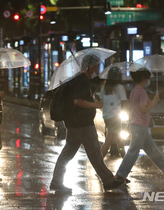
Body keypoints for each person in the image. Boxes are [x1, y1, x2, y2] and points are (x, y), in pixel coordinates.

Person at [50, 54, 125, 192]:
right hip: (82, 123)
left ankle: (56, 181)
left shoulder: (79, 79)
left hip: (74, 123)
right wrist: (96, 105)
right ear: (90, 66)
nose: (97, 68)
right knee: (95, 153)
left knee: (67, 153)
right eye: (96, 65)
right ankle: (108, 181)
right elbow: (77, 101)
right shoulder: (81, 81)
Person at [115, 68, 164, 182]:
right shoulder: (142, 92)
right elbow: (145, 109)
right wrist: (154, 101)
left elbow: (132, 109)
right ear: (144, 79)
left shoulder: (134, 91)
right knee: (133, 151)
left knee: (152, 149)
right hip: (140, 126)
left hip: (136, 125)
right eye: (148, 79)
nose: (148, 81)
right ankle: (120, 174)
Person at [100, 67, 128, 158]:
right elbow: (124, 102)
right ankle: (98, 161)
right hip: (115, 117)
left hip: (106, 117)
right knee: (109, 141)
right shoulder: (119, 87)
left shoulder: (103, 87)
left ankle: (125, 161)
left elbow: (102, 100)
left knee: (119, 140)